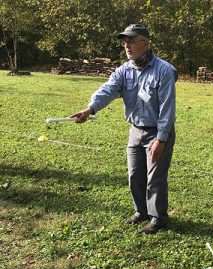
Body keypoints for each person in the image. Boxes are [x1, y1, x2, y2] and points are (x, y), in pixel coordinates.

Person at [71, 24, 178, 234]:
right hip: (135, 130)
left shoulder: (164, 70)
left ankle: (158, 219)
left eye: (131, 40)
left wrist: (161, 139)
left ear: (145, 43)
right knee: (134, 174)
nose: (126, 45)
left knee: (155, 178)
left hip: (157, 132)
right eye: (125, 41)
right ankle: (141, 211)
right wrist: (90, 109)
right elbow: (108, 89)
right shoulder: (125, 70)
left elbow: (168, 108)